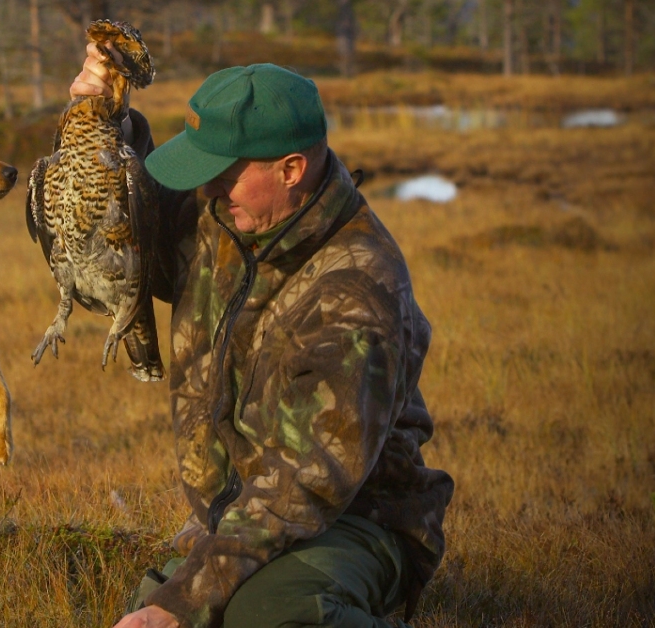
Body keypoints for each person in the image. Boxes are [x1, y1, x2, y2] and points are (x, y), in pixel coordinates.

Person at [70, 44, 455, 628]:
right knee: (161, 610)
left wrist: (184, 604)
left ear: (292, 169)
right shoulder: (227, 213)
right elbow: (110, 230)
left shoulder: (356, 289)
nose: (206, 190)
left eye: (222, 172)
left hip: (358, 518)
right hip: (237, 513)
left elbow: (306, 484)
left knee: (265, 613)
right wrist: (99, 121)